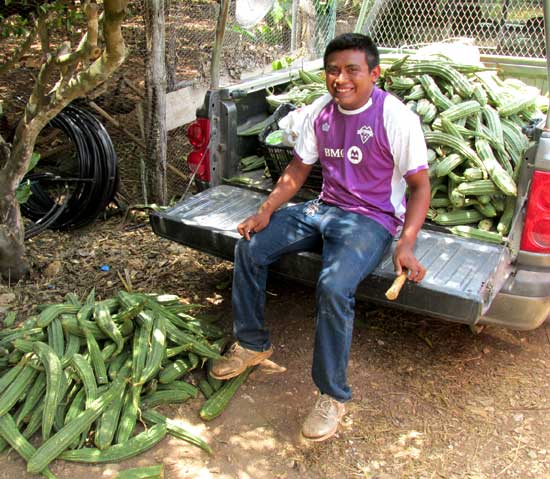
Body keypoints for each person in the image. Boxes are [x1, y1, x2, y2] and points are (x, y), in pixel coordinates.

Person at [211, 33, 431, 442]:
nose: (341, 79)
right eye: (333, 70)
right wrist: (265, 211)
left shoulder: (396, 118)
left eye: (352, 70)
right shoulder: (320, 113)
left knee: (333, 287)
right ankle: (252, 343)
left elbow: (420, 187)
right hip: (324, 208)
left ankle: (332, 394)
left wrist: (406, 242)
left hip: (372, 219)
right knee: (250, 247)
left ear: (374, 74)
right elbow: (296, 171)